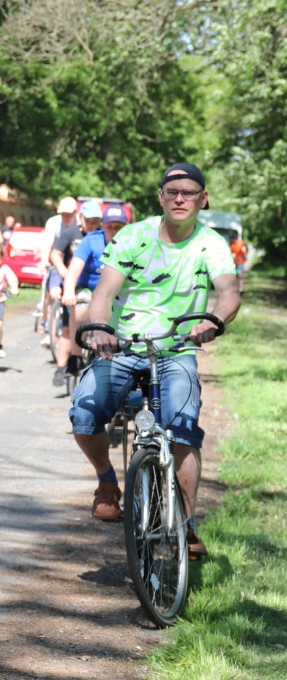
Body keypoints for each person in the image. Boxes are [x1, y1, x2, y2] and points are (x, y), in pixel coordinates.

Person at [70, 163, 239, 559]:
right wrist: (99, 327)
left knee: (182, 429)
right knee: (84, 411)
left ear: (203, 198)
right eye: (172, 192)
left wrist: (212, 319)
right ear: (160, 196)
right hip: (125, 345)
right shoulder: (134, 235)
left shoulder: (211, 243)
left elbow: (229, 292)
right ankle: (107, 482)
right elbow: (104, 293)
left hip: (177, 348)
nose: (180, 198)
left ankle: (186, 523)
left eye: (189, 192)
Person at [61, 204, 128, 349]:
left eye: (119, 227)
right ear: (102, 226)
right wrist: (68, 291)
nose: (114, 231)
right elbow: (73, 270)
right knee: (80, 312)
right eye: (110, 226)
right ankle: (75, 355)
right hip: (88, 288)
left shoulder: (132, 244)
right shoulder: (91, 241)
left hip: (117, 291)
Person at [50, 199, 101, 386]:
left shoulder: (102, 237)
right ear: (81, 218)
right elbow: (55, 253)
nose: (92, 226)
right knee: (67, 328)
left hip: (96, 287)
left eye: (96, 222)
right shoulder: (70, 233)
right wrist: (63, 271)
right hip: (74, 286)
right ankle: (63, 366)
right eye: (89, 221)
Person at [38, 196, 78, 343]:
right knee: (52, 294)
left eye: (68, 214)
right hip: (57, 262)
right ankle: (50, 332)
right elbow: (48, 243)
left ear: (75, 212)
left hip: (74, 263)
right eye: (63, 214)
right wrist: (44, 261)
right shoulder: (54, 223)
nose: (65, 217)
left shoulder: (80, 224)